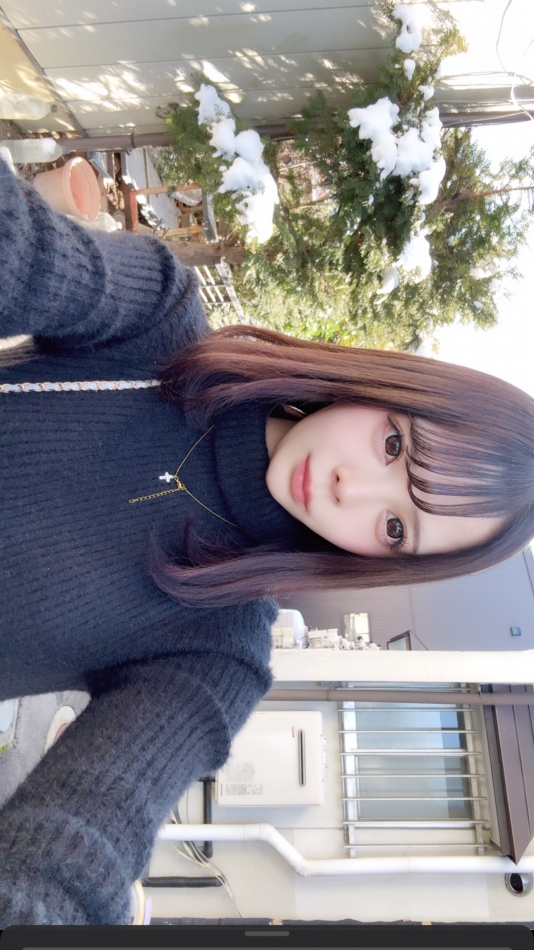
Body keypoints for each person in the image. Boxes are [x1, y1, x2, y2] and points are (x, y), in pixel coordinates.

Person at [1, 152, 533, 925]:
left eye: (394, 527)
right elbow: (25, 252)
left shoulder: (217, 652)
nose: (351, 489)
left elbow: (81, 842)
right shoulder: (158, 323)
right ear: (384, 385)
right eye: (393, 447)